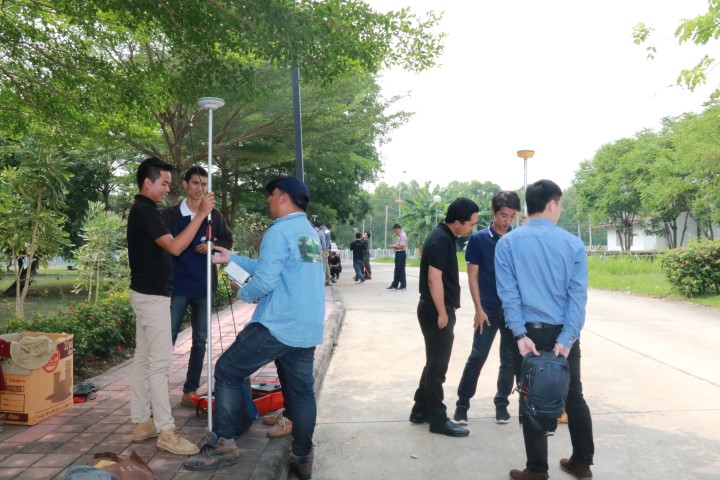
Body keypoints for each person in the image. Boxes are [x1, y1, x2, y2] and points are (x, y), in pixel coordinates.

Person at [183, 176, 324, 480]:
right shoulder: (308, 233)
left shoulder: (279, 231)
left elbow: (265, 281)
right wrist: (232, 258)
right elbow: (275, 267)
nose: (269, 201)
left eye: (271, 195)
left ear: (283, 197)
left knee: (227, 370)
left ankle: (224, 443)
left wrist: (244, 292)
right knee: (301, 393)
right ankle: (303, 455)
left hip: (278, 323)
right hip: (306, 325)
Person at [494, 179, 594, 480]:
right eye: (560, 204)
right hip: (563, 333)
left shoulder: (507, 243)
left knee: (531, 396)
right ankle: (582, 462)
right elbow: (577, 297)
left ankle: (537, 470)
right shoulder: (573, 244)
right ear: (552, 204)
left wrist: (519, 334)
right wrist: (568, 337)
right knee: (573, 394)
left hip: (527, 335)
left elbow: (508, 294)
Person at [127, 157, 215, 455]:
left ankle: (142, 422)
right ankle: (166, 430)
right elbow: (176, 247)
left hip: (145, 293)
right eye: (164, 183)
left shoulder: (144, 210)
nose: (168, 189)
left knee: (143, 359)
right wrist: (200, 215)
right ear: (147, 182)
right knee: (159, 364)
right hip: (152, 296)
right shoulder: (146, 212)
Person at [161, 166, 233, 408]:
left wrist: (212, 245)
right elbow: (163, 246)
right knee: (168, 338)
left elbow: (227, 240)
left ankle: (189, 391)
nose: (199, 188)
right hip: (177, 286)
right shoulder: (170, 215)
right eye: (195, 183)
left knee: (200, 340)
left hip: (204, 286)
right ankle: (157, 391)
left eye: (204, 184)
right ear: (184, 184)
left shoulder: (215, 216)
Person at [409, 197, 479, 438]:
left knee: (433, 363)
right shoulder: (440, 239)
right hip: (435, 310)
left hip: (434, 308)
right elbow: (434, 278)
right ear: (457, 222)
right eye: (471, 223)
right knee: (438, 367)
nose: (472, 228)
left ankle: (420, 410)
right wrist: (441, 312)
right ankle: (438, 419)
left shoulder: (443, 236)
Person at [453, 191, 521, 426]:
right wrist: (478, 309)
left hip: (512, 311)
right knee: (477, 356)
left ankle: (502, 404)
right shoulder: (478, 239)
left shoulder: (517, 239)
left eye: (512, 216)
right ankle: (462, 405)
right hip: (488, 310)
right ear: (493, 212)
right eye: (503, 215)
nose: (507, 221)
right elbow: (473, 277)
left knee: (509, 360)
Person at [387, 224, 408, 290]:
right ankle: (394, 284)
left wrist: (393, 246)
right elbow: (398, 245)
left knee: (401, 269)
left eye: (395, 231)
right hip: (398, 253)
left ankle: (403, 285)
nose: (395, 232)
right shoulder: (399, 236)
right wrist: (394, 246)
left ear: (398, 229)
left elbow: (402, 246)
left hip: (401, 253)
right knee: (397, 269)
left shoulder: (403, 235)